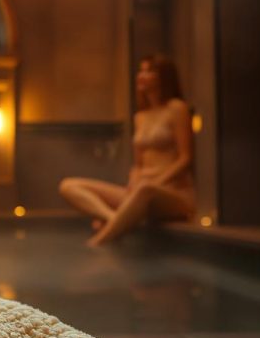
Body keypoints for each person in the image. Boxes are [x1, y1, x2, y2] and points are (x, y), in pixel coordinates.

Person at [59, 55, 195, 246]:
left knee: (145, 190)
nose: (141, 75)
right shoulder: (140, 116)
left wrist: (155, 183)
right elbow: (138, 164)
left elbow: (185, 158)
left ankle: (99, 242)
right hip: (140, 191)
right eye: (141, 70)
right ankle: (114, 219)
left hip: (173, 193)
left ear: (164, 77)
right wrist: (133, 183)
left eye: (149, 71)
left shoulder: (177, 108)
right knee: (69, 185)